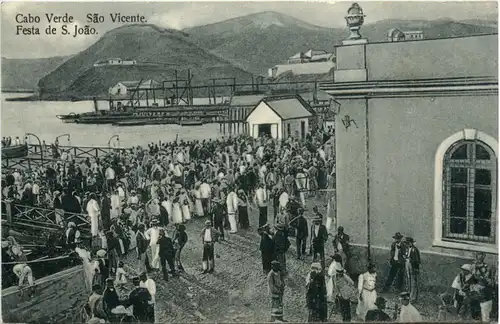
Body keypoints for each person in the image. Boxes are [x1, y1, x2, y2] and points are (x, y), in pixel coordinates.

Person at [403, 237, 420, 302]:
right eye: (406, 243)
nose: (407, 245)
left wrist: (416, 268)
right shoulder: (407, 249)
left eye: (408, 243)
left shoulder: (414, 250)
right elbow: (406, 255)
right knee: (408, 279)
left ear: (411, 243)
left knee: (413, 282)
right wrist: (406, 257)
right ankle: (409, 294)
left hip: (412, 266)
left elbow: (417, 260)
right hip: (407, 264)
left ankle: (413, 297)